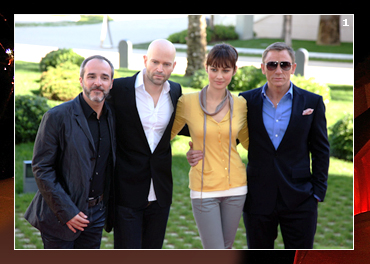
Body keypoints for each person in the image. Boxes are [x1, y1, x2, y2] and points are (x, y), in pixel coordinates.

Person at [187, 42, 330, 249]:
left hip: (300, 199)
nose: (278, 70)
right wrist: (195, 151)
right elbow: (226, 139)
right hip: (257, 197)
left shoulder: (312, 102)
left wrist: (317, 192)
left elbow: (321, 150)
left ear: (293, 68)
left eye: (284, 65)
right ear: (263, 68)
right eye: (272, 65)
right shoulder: (246, 101)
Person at [24, 55, 116, 249]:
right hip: (60, 215)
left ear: (111, 83)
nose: (98, 83)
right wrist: (67, 212)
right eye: (91, 76)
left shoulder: (112, 118)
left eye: (104, 77)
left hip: (96, 216)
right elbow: (42, 168)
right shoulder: (56, 116)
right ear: (81, 80)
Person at [107, 39, 183, 249]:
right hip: (126, 190)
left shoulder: (175, 91)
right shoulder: (120, 88)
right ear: (144, 60)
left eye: (167, 64)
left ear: (174, 66)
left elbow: (187, 125)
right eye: (155, 62)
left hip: (160, 192)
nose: (160, 69)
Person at [171, 43, 249, 249]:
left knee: (227, 247)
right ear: (206, 68)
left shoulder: (240, 104)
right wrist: (190, 151)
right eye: (214, 69)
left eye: (225, 70)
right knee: (215, 251)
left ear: (234, 70)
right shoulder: (187, 102)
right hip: (204, 188)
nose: (219, 76)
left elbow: (250, 143)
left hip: (237, 187)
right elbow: (164, 136)